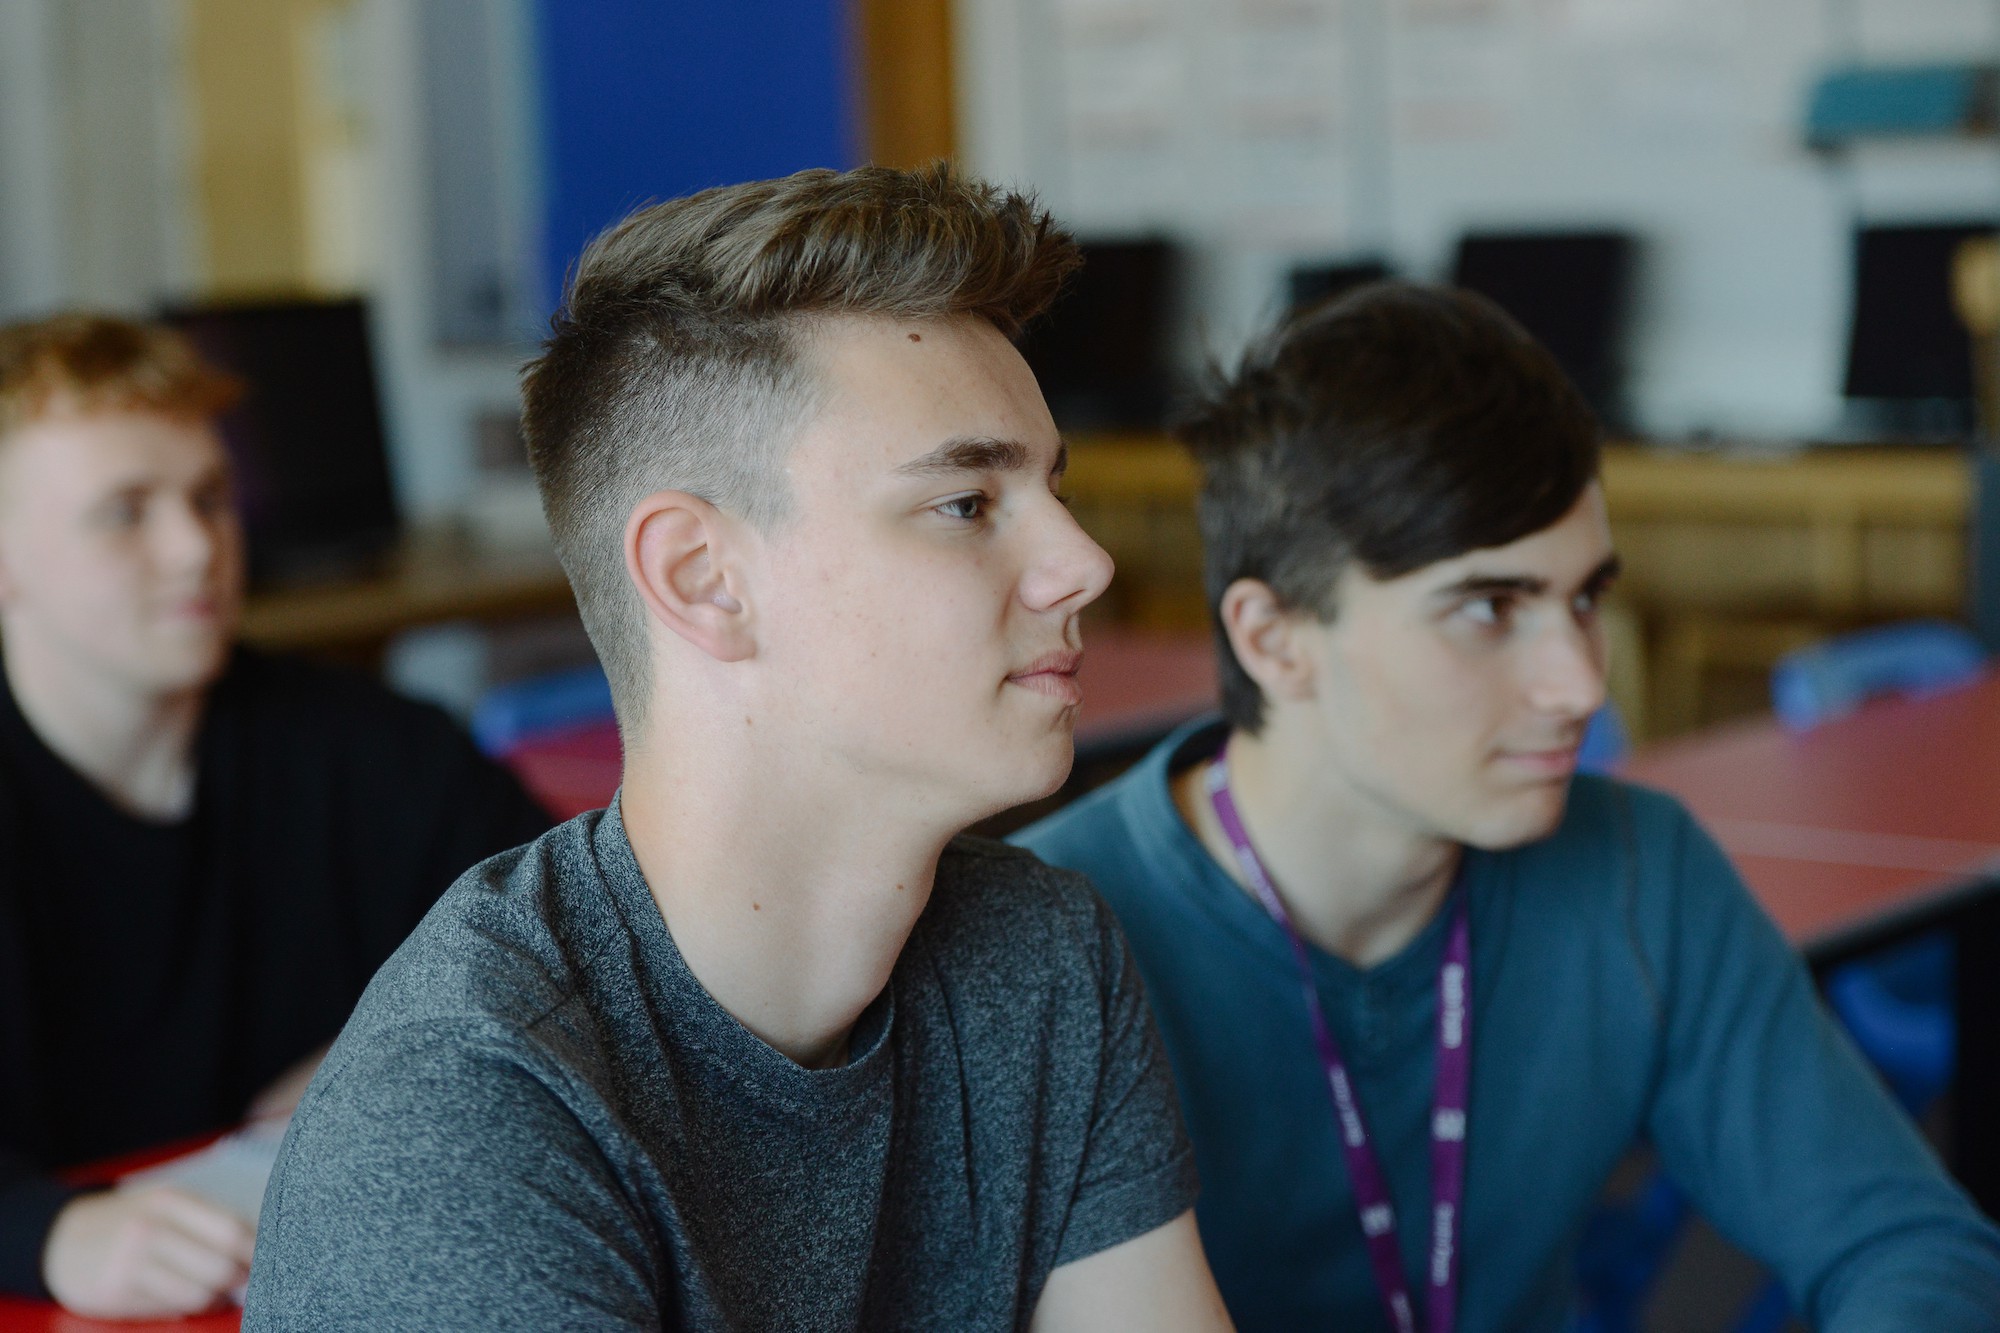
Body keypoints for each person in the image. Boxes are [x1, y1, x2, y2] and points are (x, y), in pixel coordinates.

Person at [243, 165, 1231, 1331]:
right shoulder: (462, 1117)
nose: (1084, 564)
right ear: (703, 580)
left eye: (1049, 491)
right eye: (965, 503)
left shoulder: (1040, 952)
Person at [1014, 282, 2000, 1332]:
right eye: (1488, 608)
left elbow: (1909, 1244)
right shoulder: (1040, 946)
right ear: (1274, 639)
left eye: (1585, 598)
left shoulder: (1637, 871)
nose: (1580, 683)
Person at [0, 314, 553, 1319]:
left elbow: (574, 943)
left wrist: (390, 1037)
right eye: (124, 512)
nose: (195, 548)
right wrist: (46, 1235)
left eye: (210, 497)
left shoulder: (379, 748)